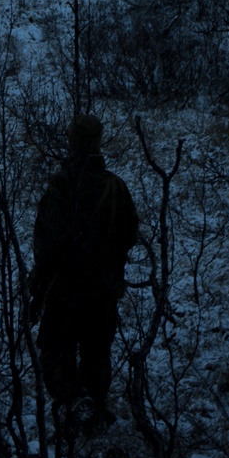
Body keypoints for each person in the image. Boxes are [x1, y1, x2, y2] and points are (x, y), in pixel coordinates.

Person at [29, 114, 138, 430]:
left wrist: (41, 281)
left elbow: (44, 243)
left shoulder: (60, 188)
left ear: (71, 141)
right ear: (99, 142)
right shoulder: (116, 188)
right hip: (103, 290)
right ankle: (91, 410)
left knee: (54, 355)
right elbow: (129, 234)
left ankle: (79, 405)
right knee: (96, 356)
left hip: (64, 291)